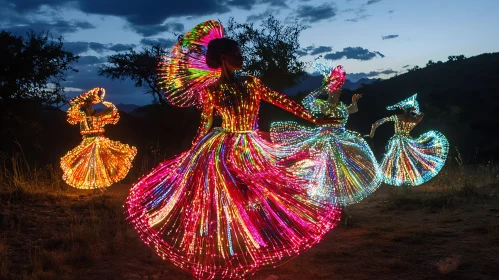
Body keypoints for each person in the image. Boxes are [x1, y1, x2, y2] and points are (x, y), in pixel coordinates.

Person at [126, 20, 341, 280]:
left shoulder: (251, 82)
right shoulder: (211, 91)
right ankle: (229, 251)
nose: (242, 57)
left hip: (251, 145)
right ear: (225, 57)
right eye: (238, 54)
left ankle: (253, 245)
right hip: (223, 149)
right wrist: (193, 153)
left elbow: (282, 101)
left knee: (265, 191)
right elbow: (205, 124)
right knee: (226, 200)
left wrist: (314, 120)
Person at [270, 65, 381, 206]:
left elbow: (353, 109)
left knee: (346, 168)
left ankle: (339, 204)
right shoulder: (322, 105)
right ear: (329, 91)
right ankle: (326, 201)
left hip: (342, 139)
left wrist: (354, 102)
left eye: (339, 89)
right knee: (327, 170)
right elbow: (306, 102)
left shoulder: (341, 107)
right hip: (326, 140)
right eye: (335, 89)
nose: (338, 92)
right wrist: (323, 87)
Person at [60, 88, 137, 191]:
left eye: (89, 106)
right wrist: (80, 101)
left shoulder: (98, 116)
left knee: (99, 163)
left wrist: (103, 101)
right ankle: (96, 186)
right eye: (86, 106)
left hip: (98, 141)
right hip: (86, 142)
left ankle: (100, 186)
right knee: (86, 164)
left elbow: (112, 111)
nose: (88, 108)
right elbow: (72, 112)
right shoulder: (82, 117)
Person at [367, 93, 449, 186]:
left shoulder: (398, 117)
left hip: (398, 140)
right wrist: (415, 107)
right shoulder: (416, 118)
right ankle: (405, 180)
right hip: (408, 140)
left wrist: (372, 132)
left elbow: (379, 122)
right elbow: (421, 113)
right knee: (406, 160)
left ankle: (402, 180)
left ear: (404, 108)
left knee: (397, 160)